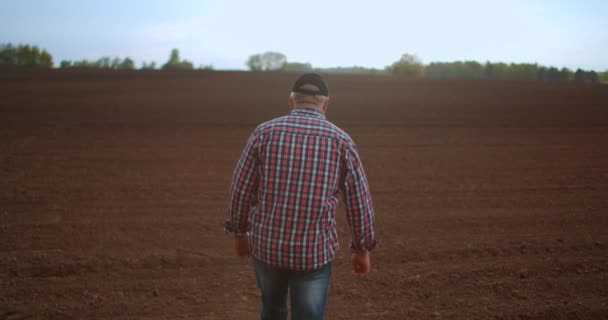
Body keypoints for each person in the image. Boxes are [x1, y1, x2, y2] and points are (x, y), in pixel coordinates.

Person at [224, 73, 377, 320]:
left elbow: (240, 188)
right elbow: (359, 200)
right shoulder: (341, 141)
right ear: (326, 104)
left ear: (291, 101)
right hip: (314, 252)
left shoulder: (264, 133)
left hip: (267, 247)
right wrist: (362, 249)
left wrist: (239, 233)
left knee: (272, 309)